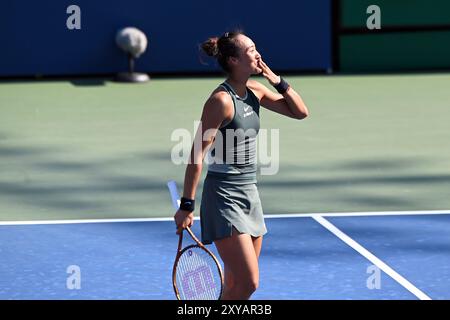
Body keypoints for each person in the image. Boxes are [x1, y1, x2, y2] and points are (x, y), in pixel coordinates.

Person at [174, 30, 309, 300]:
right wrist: (187, 205)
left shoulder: (256, 92)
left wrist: (276, 80)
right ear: (234, 61)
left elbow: (300, 112)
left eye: (256, 47)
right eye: (250, 50)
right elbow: (196, 155)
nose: (257, 54)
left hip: (250, 193)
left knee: (235, 285)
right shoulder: (220, 101)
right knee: (250, 282)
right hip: (223, 198)